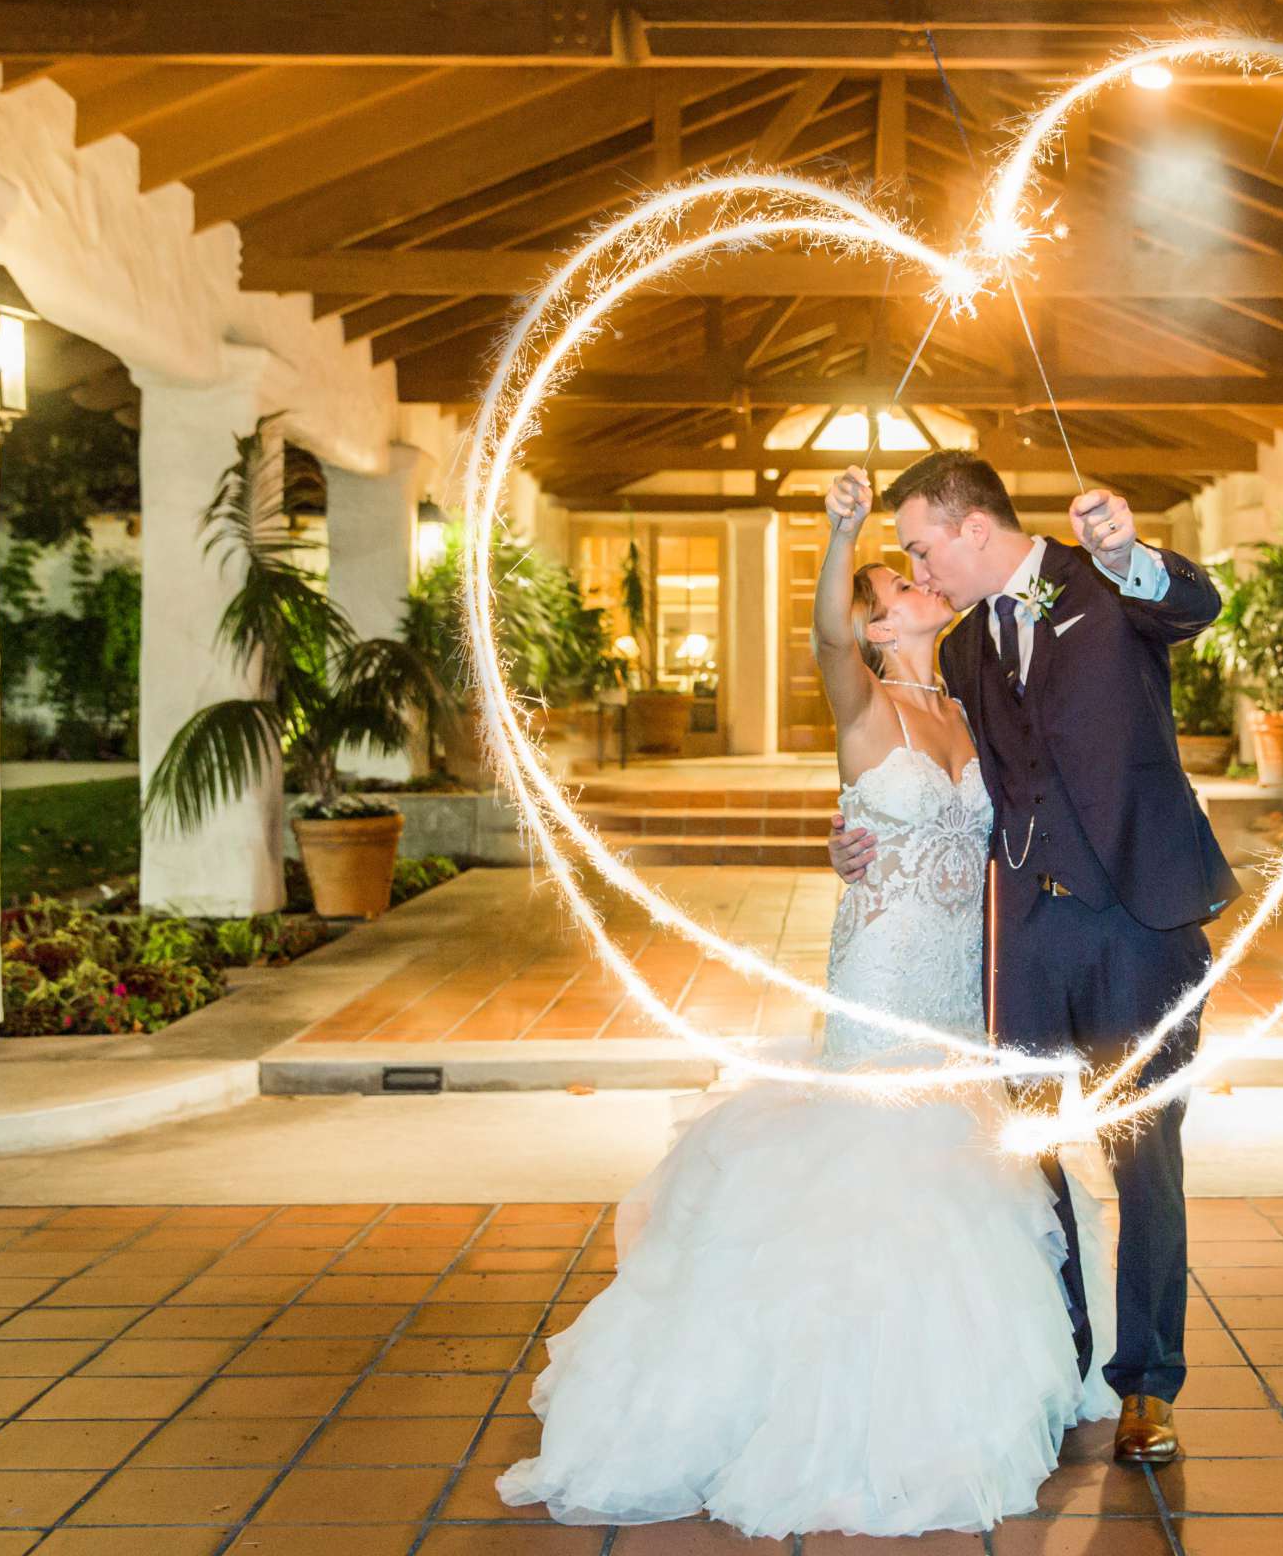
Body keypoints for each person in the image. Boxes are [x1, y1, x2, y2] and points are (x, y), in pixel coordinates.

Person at [492, 465, 1117, 1538]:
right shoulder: (864, 700)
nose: (923, 578)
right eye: (902, 577)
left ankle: (953, 1384)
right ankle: (833, 1402)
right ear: (877, 624)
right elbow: (825, 639)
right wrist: (838, 537)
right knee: (875, 1164)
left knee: (961, 1169)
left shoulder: (968, 701)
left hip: (960, 986)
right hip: (881, 971)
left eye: (920, 566)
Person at [829, 448, 1237, 1464]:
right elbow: (924, 770)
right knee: (1032, 1157)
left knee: (1144, 1149)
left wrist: (1132, 550)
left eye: (924, 545)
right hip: (1027, 938)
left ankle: (1147, 1384)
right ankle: (1062, 1361)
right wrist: (859, 834)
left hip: (1139, 920)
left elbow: (1197, 602)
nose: (922, 568)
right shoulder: (962, 652)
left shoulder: (1105, 577)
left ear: (972, 527)